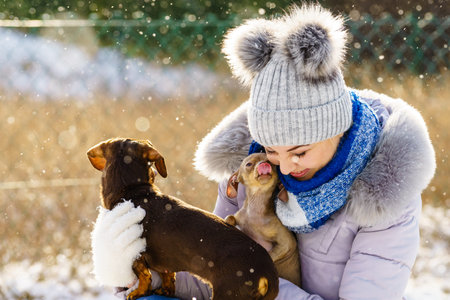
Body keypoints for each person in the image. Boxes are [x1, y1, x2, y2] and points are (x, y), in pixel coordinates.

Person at [90, 3, 436, 299]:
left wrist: (256, 284)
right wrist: (133, 268)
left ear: (339, 128)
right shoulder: (251, 173)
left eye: (300, 151)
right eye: (273, 149)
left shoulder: (383, 198)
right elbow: (206, 276)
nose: (284, 164)